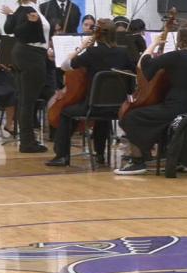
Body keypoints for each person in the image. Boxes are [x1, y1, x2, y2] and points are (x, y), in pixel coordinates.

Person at [114, 20, 187, 175]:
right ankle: (175, 159)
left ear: (180, 39)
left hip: (176, 109)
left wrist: (154, 44)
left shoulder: (176, 56)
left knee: (130, 116)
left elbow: (144, 65)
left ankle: (138, 162)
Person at [47, 19, 135, 167]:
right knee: (103, 116)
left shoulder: (92, 52)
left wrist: (80, 48)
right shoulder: (123, 52)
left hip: (93, 106)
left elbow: (65, 66)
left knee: (65, 112)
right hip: (117, 107)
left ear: (97, 34)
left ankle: (62, 156)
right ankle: (100, 155)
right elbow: (133, 72)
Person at [1, 0, 51, 153]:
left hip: (28, 54)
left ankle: (27, 140)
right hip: (30, 55)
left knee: (25, 100)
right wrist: (30, 23)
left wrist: (10, 15)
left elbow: (10, 27)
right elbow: (16, 32)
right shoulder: (27, 9)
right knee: (27, 101)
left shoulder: (28, 8)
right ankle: (27, 142)